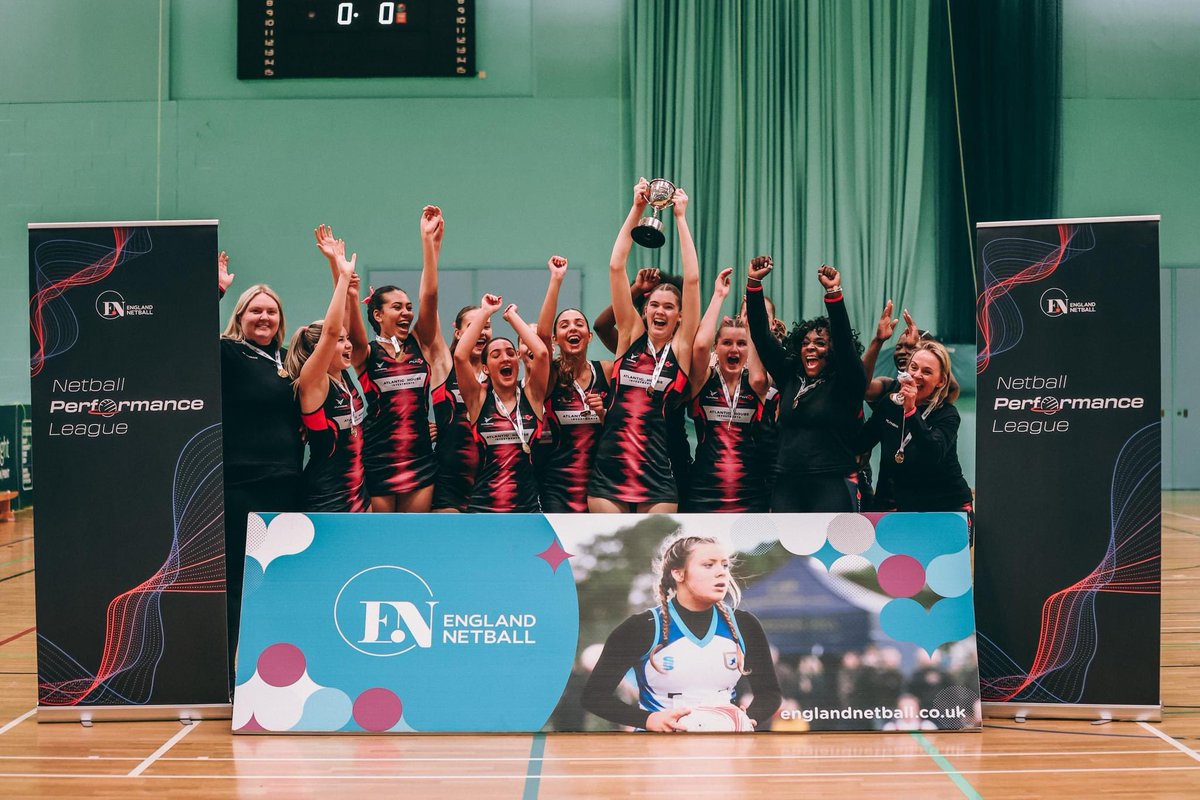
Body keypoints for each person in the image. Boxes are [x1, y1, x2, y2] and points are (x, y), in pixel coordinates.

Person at [581, 534, 781, 731]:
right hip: (657, 753)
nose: (722, 573)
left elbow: (769, 694)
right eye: (708, 565)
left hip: (724, 748)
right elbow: (594, 696)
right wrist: (648, 720)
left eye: (725, 565)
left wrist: (747, 719)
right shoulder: (641, 627)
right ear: (678, 573)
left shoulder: (744, 624)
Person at [587, 178, 701, 513]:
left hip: (657, 475)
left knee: (652, 563)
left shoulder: (679, 348)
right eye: (654, 305)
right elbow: (616, 266)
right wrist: (637, 208)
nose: (660, 310)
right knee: (612, 563)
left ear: (679, 316)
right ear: (645, 309)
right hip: (610, 471)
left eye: (669, 306)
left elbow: (692, 280)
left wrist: (680, 218)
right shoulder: (630, 336)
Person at [327, 208, 450, 513]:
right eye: (398, 307)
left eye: (409, 306)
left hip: (421, 459)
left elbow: (430, 297)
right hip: (379, 458)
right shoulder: (364, 352)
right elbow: (347, 317)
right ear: (378, 314)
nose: (407, 312)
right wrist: (346, 283)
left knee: (414, 538)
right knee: (381, 537)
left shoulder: (420, 342)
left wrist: (428, 242)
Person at [217, 253, 303, 685]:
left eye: (271, 311)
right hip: (240, 484)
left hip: (287, 485)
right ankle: (228, 676)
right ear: (241, 316)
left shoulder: (288, 361)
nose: (264, 316)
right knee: (238, 582)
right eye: (256, 310)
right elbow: (184, 343)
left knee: (279, 582)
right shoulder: (226, 352)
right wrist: (216, 290)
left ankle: (274, 674)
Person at [745, 257, 867, 512]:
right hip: (786, 484)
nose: (811, 347)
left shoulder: (846, 382)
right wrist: (754, 283)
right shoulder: (790, 375)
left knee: (832, 552)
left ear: (831, 351)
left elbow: (844, 343)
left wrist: (833, 293)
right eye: (806, 343)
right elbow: (760, 335)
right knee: (787, 552)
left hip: (832, 484)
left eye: (821, 343)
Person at [285, 234, 370, 512]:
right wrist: (344, 277)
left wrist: (336, 264)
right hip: (326, 497)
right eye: (340, 342)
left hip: (358, 491)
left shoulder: (342, 375)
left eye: (349, 339)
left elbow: (341, 316)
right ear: (319, 350)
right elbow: (332, 329)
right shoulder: (313, 382)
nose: (348, 345)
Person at [684, 268, 770, 512]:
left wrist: (751, 325)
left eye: (741, 343)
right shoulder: (703, 381)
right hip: (703, 492)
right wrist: (718, 296)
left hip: (750, 494)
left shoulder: (756, 384)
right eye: (727, 343)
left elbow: (759, 367)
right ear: (716, 347)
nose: (735, 349)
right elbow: (699, 346)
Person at [454, 295, 549, 513]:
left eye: (510, 353)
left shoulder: (532, 396)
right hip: (482, 507)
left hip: (527, 508)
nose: (505, 359)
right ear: (486, 368)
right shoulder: (477, 399)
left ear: (517, 359)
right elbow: (460, 356)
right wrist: (485, 312)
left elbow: (542, 353)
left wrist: (512, 317)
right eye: (496, 355)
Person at [857, 339, 974, 516]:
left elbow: (932, 452)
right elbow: (859, 442)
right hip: (905, 505)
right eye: (914, 367)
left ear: (941, 381)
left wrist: (911, 410)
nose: (917, 375)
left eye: (927, 372)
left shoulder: (947, 414)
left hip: (946, 506)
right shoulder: (890, 404)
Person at [534, 255, 613, 512]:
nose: (572, 329)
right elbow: (542, 335)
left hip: (601, 485)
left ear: (589, 336)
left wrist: (603, 414)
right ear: (556, 338)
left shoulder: (607, 370)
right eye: (564, 325)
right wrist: (556, 280)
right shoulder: (552, 375)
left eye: (579, 324)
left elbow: (623, 424)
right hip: (558, 486)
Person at [430, 305, 491, 512]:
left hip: (491, 481)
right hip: (449, 480)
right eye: (474, 325)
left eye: (487, 325)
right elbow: (430, 305)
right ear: (458, 333)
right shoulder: (445, 366)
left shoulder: (499, 374)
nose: (482, 331)